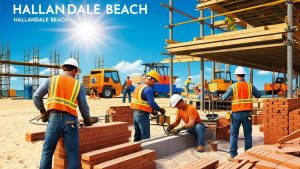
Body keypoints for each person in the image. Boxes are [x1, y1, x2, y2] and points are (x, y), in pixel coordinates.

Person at [33, 58, 97, 169]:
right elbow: (84, 107)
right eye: (76, 72)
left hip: (54, 119)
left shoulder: (51, 80)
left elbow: (36, 97)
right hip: (70, 121)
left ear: (63, 68)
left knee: (47, 151)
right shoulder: (78, 85)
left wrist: (43, 112)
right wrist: (88, 121)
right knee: (72, 153)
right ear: (75, 70)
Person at [221, 66, 261, 161]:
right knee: (248, 135)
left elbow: (223, 98)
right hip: (247, 114)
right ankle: (248, 154)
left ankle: (233, 155)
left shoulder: (233, 86)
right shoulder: (250, 85)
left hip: (236, 114)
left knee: (234, 135)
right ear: (244, 75)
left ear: (236, 76)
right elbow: (259, 95)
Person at [130, 70, 166, 141]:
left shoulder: (138, 86)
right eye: (155, 82)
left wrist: (152, 111)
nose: (154, 84)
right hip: (142, 115)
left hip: (135, 113)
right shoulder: (148, 89)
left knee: (137, 136)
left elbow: (141, 102)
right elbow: (152, 103)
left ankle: (136, 150)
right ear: (151, 79)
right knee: (146, 138)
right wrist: (159, 109)